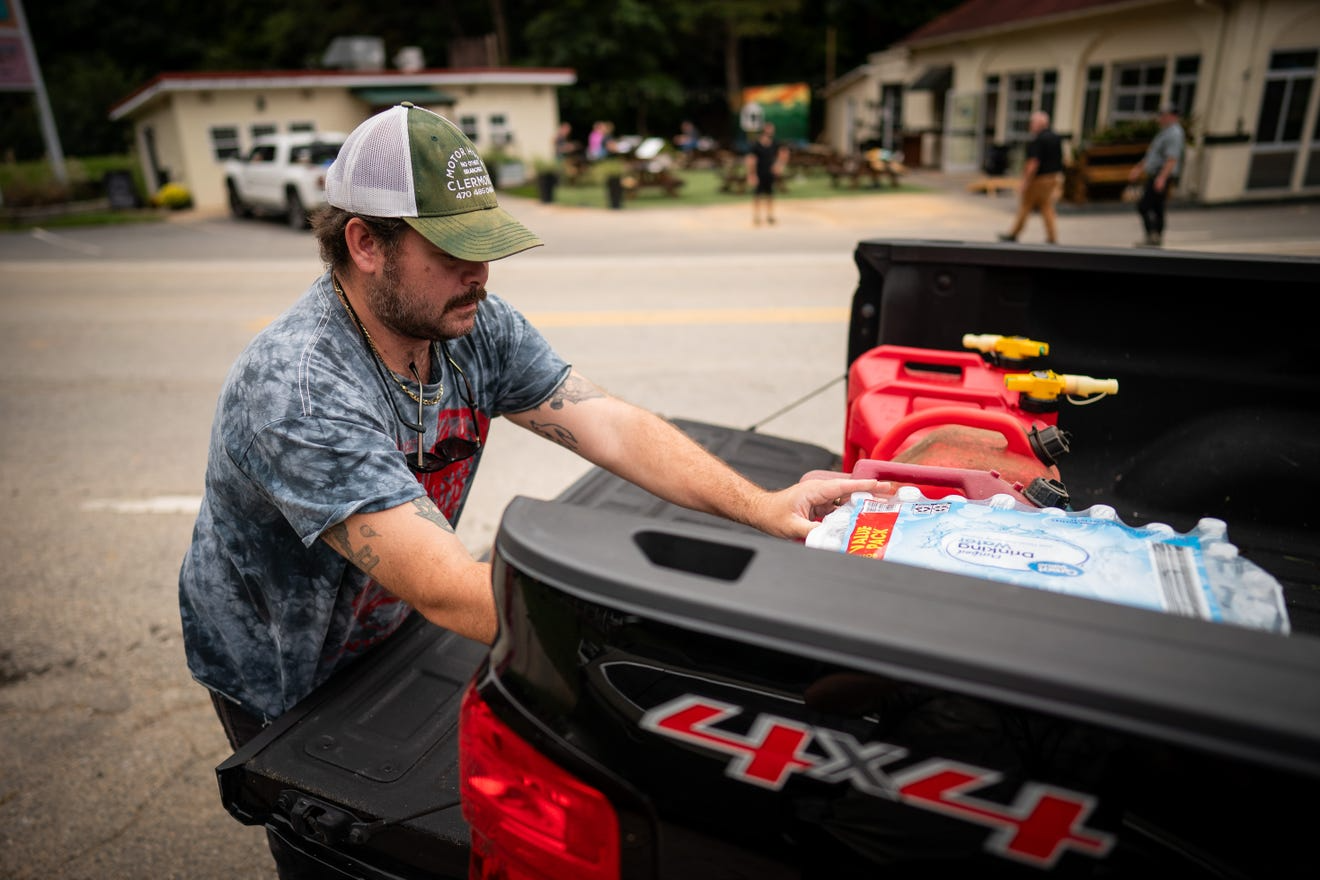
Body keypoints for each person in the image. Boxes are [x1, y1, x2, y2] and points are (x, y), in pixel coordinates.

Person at [178, 102, 874, 877]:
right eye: (453, 250)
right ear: (365, 243)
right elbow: (443, 587)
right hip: (282, 662)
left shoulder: (468, 320)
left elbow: (603, 421)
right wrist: (678, 647)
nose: (481, 273)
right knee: (325, 828)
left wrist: (763, 507)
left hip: (388, 620)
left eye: (488, 247)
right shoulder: (299, 389)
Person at [997, 111, 1064, 244]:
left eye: (1032, 122)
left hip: (1038, 179)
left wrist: (1025, 182)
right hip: (1053, 177)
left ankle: (1014, 234)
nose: (1030, 125)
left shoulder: (1038, 140)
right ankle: (1052, 237)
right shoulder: (1056, 138)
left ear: (1039, 124)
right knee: (1046, 207)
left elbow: (1033, 163)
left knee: (1026, 206)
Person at [1128, 103, 1185, 247]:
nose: (1160, 118)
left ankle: (1154, 236)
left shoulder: (1174, 133)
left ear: (1172, 116)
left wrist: (1162, 178)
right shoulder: (1164, 131)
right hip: (1155, 174)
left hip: (1160, 175)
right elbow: (1152, 154)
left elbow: (1172, 158)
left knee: (1145, 205)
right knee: (1156, 206)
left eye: (1164, 115)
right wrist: (1138, 168)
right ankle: (1154, 237)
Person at [746, 122, 789, 226]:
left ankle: (770, 215)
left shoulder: (775, 143)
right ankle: (756, 216)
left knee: (770, 194)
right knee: (757, 195)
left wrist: (779, 165)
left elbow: (784, 153)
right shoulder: (756, 145)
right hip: (759, 172)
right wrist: (752, 174)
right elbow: (751, 159)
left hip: (770, 173)